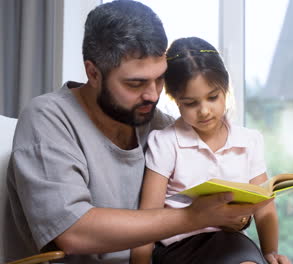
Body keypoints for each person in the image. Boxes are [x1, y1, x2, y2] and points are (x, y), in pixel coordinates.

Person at [3, 1, 270, 263]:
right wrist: (194, 216)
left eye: (159, 78)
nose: (153, 95)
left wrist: (234, 216)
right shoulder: (48, 118)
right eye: (135, 83)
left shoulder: (162, 127)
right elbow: (73, 233)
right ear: (93, 73)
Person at [130, 37, 291, 264]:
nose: (204, 110)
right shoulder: (166, 142)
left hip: (231, 243)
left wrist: (270, 255)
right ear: (175, 101)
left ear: (226, 89)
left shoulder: (249, 141)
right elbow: (147, 219)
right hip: (179, 249)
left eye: (213, 97)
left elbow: (265, 210)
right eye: (191, 103)